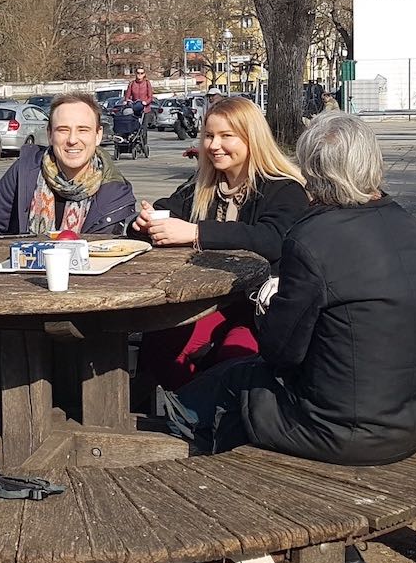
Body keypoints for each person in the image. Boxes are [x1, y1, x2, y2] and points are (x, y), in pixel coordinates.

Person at [171, 112, 416, 563]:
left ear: (314, 174)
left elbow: (279, 351)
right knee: (234, 382)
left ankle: (271, 536)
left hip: (342, 429)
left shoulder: (313, 239)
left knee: (218, 394)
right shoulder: (415, 230)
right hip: (415, 416)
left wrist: (265, 305)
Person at [131, 96, 311, 389]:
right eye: (209, 136)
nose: (214, 145)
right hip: (204, 302)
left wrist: (197, 233)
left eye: (227, 136)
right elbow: (168, 208)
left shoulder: (284, 188)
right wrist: (142, 223)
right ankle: (191, 410)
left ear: (252, 139)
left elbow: (274, 239)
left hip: (258, 308)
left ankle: (209, 413)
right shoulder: (203, 185)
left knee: (234, 357)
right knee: (159, 344)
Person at [0, 93, 137, 237]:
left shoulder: (117, 191)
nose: (72, 140)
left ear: (98, 135)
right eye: (63, 130)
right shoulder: (25, 171)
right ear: (50, 134)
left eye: (82, 130)